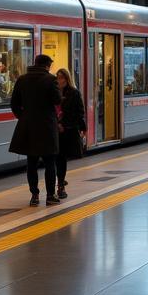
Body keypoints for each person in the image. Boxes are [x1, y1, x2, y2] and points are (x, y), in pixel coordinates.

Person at [9, 53, 62, 206]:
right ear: (47, 65)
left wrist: (24, 117)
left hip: (28, 127)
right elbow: (57, 100)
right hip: (46, 126)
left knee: (31, 162)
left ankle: (34, 196)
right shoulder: (50, 79)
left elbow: (14, 104)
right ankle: (51, 195)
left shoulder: (22, 79)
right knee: (50, 162)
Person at [54, 67, 86, 200]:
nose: (59, 80)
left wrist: (83, 128)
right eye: (58, 77)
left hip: (66, 130)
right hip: (54, 129)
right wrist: (56, 124)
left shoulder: (74, 93)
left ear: (67, 79)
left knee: (61, 158)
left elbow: (79, 112)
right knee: (56, 159)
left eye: (61, 77)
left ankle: (60, 184)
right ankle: (59, 182)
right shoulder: (53, 93)